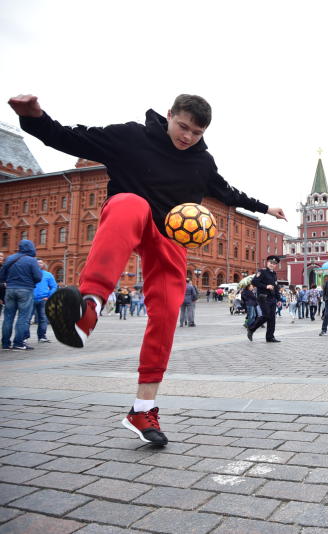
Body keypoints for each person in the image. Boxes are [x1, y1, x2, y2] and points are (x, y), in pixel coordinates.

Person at [9, 93, 286, 446]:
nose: (187, 137)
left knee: (167, 313)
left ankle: (143, 408)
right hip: (130, 216)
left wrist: (266, 207)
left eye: (196, 133)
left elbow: (227, 191)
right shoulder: (131, 137)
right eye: (182, 127)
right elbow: (68, 136)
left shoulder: (201, 162)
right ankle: (88, 308)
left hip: (169, 235)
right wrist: (34, 116)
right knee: (129, 203)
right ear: (169, 115)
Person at [0, 240, 42, 351]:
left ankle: (5, 343)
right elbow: (38, 277)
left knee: (8, 317)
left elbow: (1, 275)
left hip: (10, 289)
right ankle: (18, 343)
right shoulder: (31, 261)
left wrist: (8, 281)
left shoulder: (10, 258)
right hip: (25, 290)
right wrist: (31, 282)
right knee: (23, 317)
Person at [247, 256, 281, 342]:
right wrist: (266, 286)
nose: (272, 265)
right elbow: (254, 281)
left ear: (276, 265)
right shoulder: (262, 271)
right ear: (267, 263)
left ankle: (270, 337)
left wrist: (279, 299)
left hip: (272, 298)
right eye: (271, 263)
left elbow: (276, 287)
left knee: (272, 318)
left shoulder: (274, 274)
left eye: (274, 264)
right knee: (266, 315)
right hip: (263, 297)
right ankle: (251, 328)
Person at [31, 259, 58, 343]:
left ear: (43, 265)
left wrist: (48, 296)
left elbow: (54, 286)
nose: (39, 264)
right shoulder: (30, 274)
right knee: (26, 319)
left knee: (43, 318)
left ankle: (42, 336)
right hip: (30, 299)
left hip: (43, 300)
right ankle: (24, 337)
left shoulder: (48, 275)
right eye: (37, 262)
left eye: (41, 262)